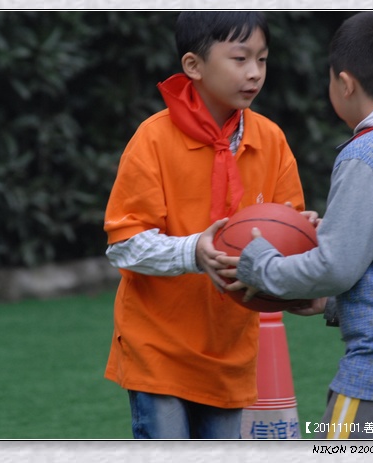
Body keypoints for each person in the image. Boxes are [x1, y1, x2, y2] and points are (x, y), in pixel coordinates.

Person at [217, 11, 373, 439]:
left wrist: (258, 263)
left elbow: (334, 267)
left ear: (344, 83)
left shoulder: (369, 151)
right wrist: (332, 304)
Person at [102, 11, 307, 439]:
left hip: (232, 353)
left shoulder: (271, 141)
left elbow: (289, 237)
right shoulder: (152, 139)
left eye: (262, 59)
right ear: (193, 65)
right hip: (157, 350)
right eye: (240, 58)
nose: (254, 72)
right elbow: (124, 245)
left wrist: (303, 239)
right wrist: (194, 251)